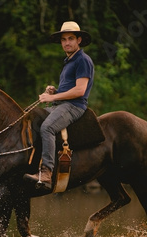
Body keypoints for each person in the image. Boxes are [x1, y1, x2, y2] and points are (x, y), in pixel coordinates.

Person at [24, 21, 94, 189]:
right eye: (63, 39)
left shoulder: (83, 60)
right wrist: (54, 92)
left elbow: (79, 91)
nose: (67, 42)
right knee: (30, 117)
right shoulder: (69, 61)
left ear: (79, 40)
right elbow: (69, 88)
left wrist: (49, 99)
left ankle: (46, 173)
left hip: (74, 106)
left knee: (47, 127)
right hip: (62, 105)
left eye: (70, 38)